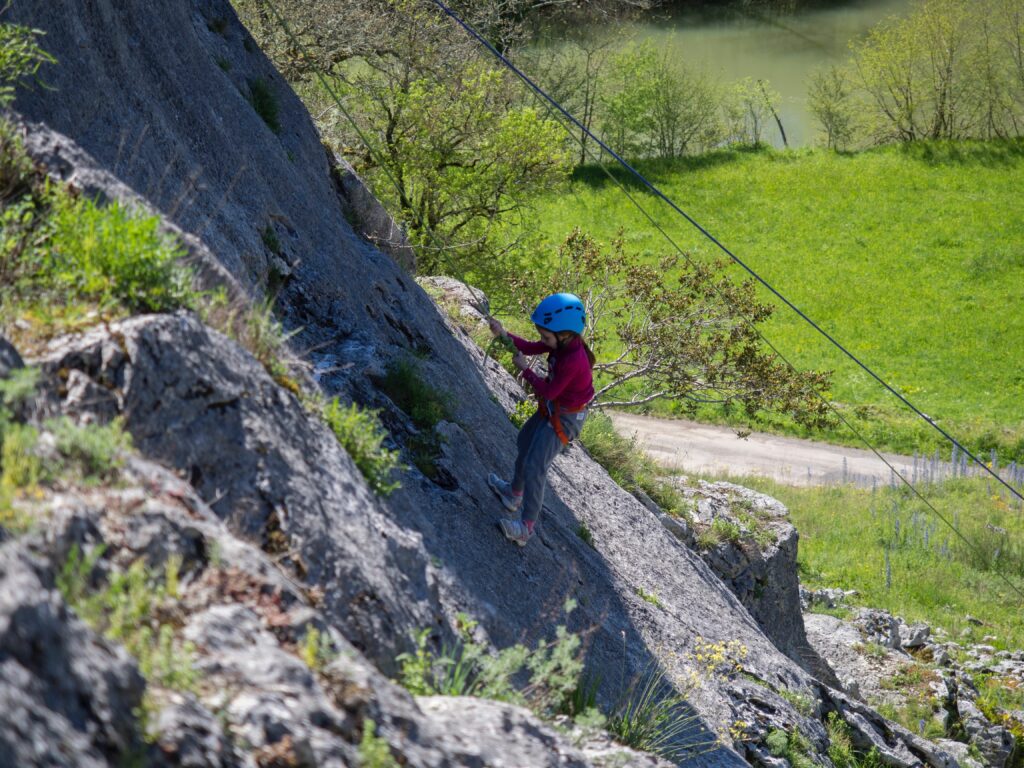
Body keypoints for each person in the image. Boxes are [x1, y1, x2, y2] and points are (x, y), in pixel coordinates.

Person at [486, 293, 596, 546]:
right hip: (554, 407)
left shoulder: (574, 360)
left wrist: (525, 369)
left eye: (547, 337)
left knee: (536, 465)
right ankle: (514, 494)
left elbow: (549, 391)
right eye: (544, 335)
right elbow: (528, 346)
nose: (544, 340)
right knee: (524, 442)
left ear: (565, 334)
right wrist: (503, 334)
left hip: (566, 417)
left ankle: (526, 527)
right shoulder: (560, 342)